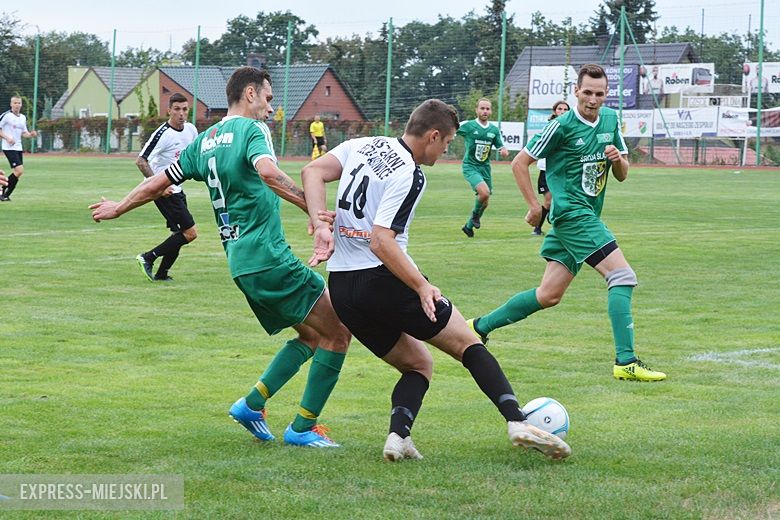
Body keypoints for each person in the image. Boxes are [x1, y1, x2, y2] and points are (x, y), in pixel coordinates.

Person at [90, 66, 352, 447]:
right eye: (267, 98)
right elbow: (268, 173)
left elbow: (158, 181)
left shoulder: (205, 141)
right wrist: (313, 211)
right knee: (339, 331)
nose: (270, 107)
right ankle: (303, 428)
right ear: (250, 94)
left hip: (241, 263)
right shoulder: (252, 131)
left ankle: (252, 405)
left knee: (313, 334)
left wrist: (119, 207)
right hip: (268, 257)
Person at [301, 99, 571, 462]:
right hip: (381, 279)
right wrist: (421, 286)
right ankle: (517, 421)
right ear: (432, 135)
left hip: (343, 288)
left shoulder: (363, 145)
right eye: (446, 142)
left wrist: (320, 223)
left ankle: (398, 438)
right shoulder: (410, 174)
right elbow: (381, 241)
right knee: (468, 343)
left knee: (418, 364)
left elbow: (312, 171)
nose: (446, 149)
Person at [468, 64, 666, 383]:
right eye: (587, 92)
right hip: (573, 215)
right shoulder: (561, 125)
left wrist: (618, 160)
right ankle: (626, 361)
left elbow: (623, 174)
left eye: (599, 94)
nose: (592, 99)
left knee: (548, 295)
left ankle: (476, 327)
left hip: (584, 217)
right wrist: (535, 207)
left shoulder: (611, 120)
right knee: (622, 276)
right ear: (576, 91)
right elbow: (519, 163)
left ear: (607, 94)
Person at [134, 93, 199, 281]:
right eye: (177, 109)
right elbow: (141, 161)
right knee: (190, 233)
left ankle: (162, 274)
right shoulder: (163, 134)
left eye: (185, 109)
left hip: (177, 188)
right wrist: (159, 187)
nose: (181, 113)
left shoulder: (191, 130)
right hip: (164, 192)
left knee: (179, 233)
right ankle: (147, 257)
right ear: (169, 110)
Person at [458, 98, 509, 238]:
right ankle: (475, 215)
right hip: (470, 166)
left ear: (491, 111)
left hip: (485, 168)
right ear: (476, 110)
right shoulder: (469, 126)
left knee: (485, 202)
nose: (485, 111)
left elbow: (500, 145)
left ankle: (468, 227)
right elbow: (451, 130)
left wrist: (503, 150)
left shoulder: (493, 130)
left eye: (487, 109)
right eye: (482, 108)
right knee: (484, 193)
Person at [532, 100, 570, 236]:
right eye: (560, 109)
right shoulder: (550, 127)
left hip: (561, 171)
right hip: (545, 170)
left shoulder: (570, 128)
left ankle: (554, 218)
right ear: (555, 111)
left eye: (565, 110)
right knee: (548, 201)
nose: (562, 112)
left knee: (560, 200)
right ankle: (538, 227)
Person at [0, 96, 39, 201]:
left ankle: (5, 194)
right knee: (19, 170)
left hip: (18, 147)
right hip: (8, 147)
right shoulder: (6, 116)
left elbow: (24, 133)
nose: (17, 105)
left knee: (18, 172)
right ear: (11, 104)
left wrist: (31, 135)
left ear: (21, 104)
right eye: (15, 103)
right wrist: (7, 138)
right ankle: (3, 192)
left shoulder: (22, 117)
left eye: (19, 103)